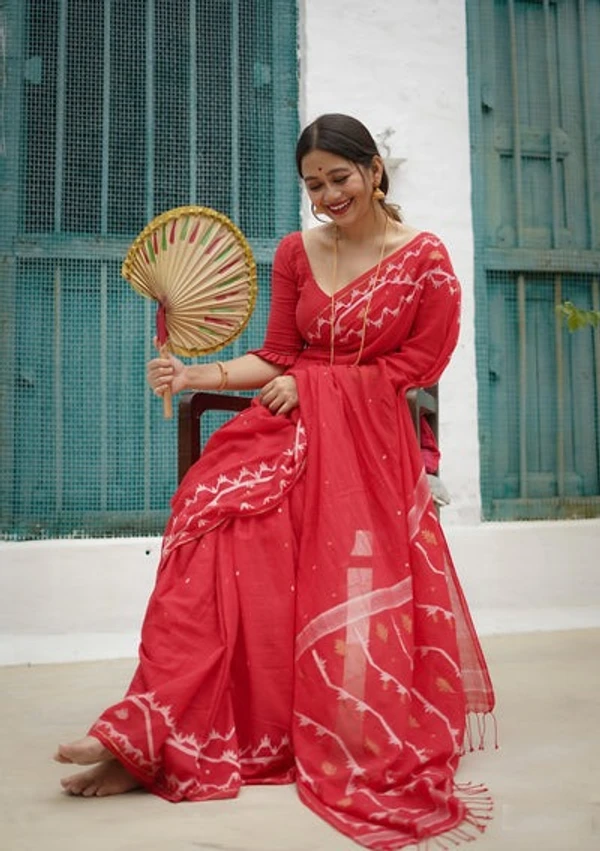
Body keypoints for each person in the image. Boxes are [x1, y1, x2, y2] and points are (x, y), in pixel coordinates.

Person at [54, 114, 495, 849]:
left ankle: (273, 721)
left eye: (339, 178)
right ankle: (156, 732)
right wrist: (197, 372)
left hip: (366, 448)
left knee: (255, 530)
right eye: (313, 184)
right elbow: (279, 355)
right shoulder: (297, 252)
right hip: (288, 433)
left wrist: (320, 388)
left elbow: (417, 369)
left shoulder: (425, 261)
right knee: (207, 515)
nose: (327, 195)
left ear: (374, 171)